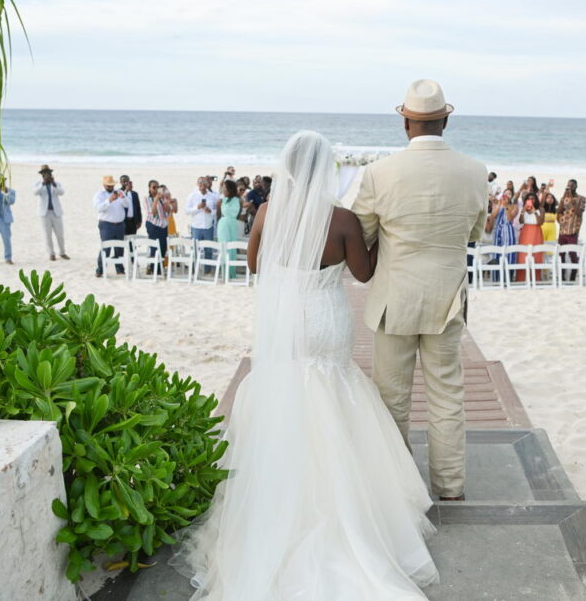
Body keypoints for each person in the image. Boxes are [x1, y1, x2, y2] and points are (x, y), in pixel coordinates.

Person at [170, 131, 436, 598]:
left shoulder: (269, 213)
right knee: (333, 390)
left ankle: (283, 500)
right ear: (327, 168)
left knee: (287, 391)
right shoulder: (344, 220)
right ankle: (344, 504)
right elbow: (364, 273)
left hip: (287, 317)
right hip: (327, 317)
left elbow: (254, 264)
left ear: (288, 167)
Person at [353, 79, 487, 502]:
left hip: (395, 300)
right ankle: (449, 486)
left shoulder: (378, 173)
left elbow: (364, 235)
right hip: (448, 297)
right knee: (447, 394)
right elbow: (474, 233)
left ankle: (399, 489)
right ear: (446, 119)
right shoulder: (475, 171)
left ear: (406, 123)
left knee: (391, 398)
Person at [93, 175, 128, 277]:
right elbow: (98, 208)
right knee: (106, 248)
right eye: (108, 185)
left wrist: (123, 197)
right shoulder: (99, 195)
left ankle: (119, 269)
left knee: (119, 248)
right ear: (104, 185)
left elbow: (127, 205)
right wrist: (109, 200)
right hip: (106, 224)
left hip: (120, 224)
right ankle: (100, 269)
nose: (110, 187)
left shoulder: (119, 192)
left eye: (112, 185)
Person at [34, 165, 69, 261]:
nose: (46, 175)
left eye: (48, 173)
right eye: (44, 173)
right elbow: (35, 192)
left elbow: (61, 192)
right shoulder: (38, 184)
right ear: (41, 175)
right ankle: (51, 253)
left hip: (56, 212)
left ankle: (62, 252)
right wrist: (43, 183)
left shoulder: (56, 183)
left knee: (60, 235)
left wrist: (53, 183)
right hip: (44, 213)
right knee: (47, 235)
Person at [557, 179, 586, 282]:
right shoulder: (564, 198)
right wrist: (563, 199)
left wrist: (572, 201)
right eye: (568, 186)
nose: (570, 188)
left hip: (573, 230)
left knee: (573, 254)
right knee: (561, 255)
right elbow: (559, 211)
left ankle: (573, 276)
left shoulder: (581, 198)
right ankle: (562, 277)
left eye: (572, 186)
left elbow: (579, 213)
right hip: (562, 230)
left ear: (576, 186)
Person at [216, 179, 243, 279]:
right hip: (223, 225)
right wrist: (219, 205)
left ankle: (231, 273)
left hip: (231, 224)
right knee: (223, 247)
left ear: (229, 189)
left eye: (224, 188)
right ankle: (224, 273)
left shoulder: (237, 200)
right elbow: (220, 213)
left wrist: (221, 204)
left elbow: (234, 213)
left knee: (231, 248)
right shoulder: (223, 199)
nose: (223, 190)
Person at [186, 177, 219, 257]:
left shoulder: (213, 196)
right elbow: (187, 211)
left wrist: (211, 211)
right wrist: (197, 207)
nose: (202, 184)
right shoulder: (192, 196)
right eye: (200, 182)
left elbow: (217, 211)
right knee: (195, 250)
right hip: (196, 227)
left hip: (208, 227)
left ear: (207, 184)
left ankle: (207, 269)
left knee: (208, 250)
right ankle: (194, 268)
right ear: (197, 184)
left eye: (204, 182)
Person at [515, 192, 545, 281]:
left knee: (536, 254)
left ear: (536, 200)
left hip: (536, 231)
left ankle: (535, 279)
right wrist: (523, 211)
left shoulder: (540, 209)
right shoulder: (524, 209)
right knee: (523, 255)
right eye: (529, 199)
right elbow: (521, 221)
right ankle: (521, 279)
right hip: (525, 231)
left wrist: (534, 211)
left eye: (533, 198)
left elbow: (540, 222)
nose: (531, 200)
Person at [145, 180, 171, 269]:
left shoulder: (162, 199)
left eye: (157, 187)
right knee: (154, 247)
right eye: (153, 187)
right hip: (153, 225)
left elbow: (168, 212)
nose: (156, 189)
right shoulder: (147, 199)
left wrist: (165, 200)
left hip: (163, 226)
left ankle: (160, 268)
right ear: (149, 188)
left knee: (163, 247)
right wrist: (156, 198)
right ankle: (152, 267)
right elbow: (153, 213)